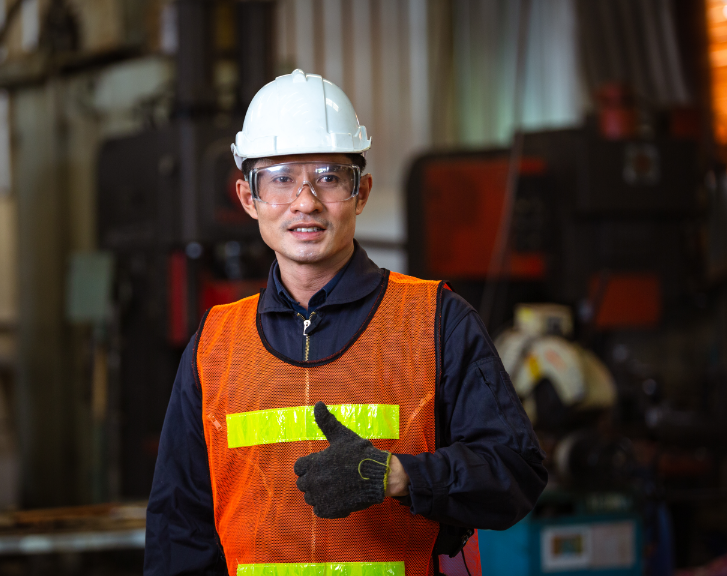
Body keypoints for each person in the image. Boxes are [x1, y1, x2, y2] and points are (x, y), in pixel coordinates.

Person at [144, 69, 546, 576]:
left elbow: (516, 473)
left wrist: (400, 476)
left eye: (329, 177)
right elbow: (179, 529)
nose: (305, 201)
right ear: (248, 198)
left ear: (362, 193)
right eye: (281, 178)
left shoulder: (436, 322)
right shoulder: (215, 345)